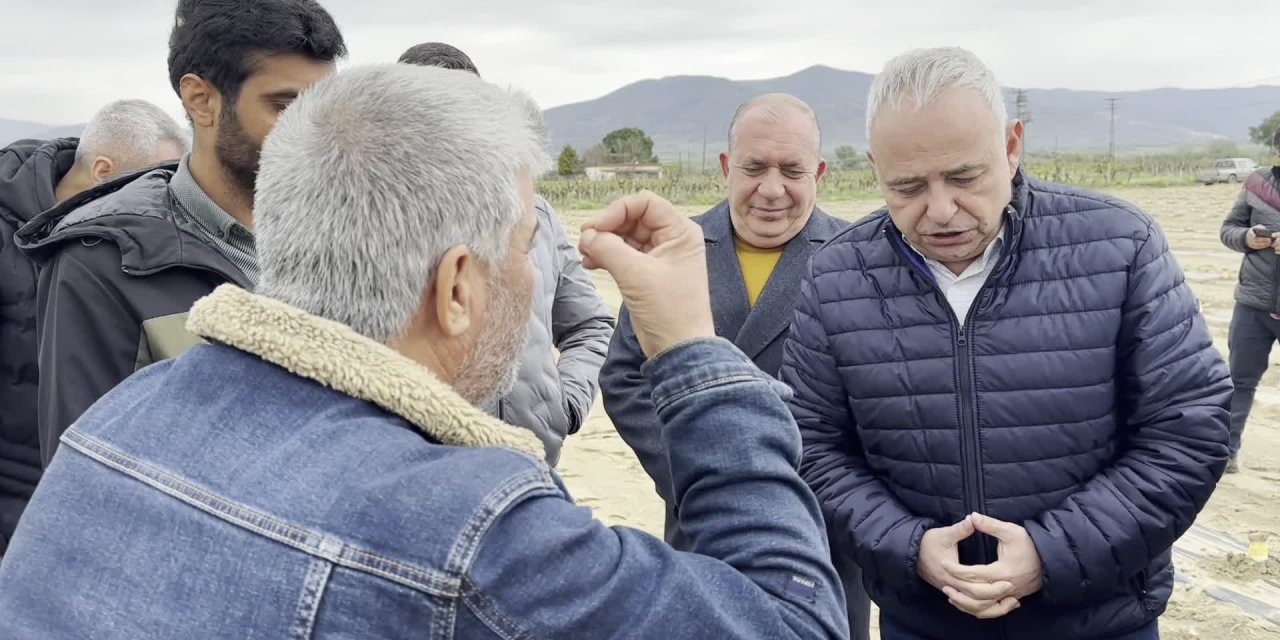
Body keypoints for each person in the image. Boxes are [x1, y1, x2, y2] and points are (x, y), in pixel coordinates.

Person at [0, 63, 847, 640]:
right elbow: (794, 620)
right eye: (525, 245)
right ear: (456, 288)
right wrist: (693, 352)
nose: (534, 269)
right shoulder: (476, 529)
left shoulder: (122, 415)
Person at [781, 47, 1231, 640]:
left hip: (1098, 620)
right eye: (907, 186)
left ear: (1012, 146)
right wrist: (908, 547)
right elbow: (809, 446)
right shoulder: (838, 275)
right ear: (874, 167)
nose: (940, 211)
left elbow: (1188, 430)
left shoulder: (1120, 246)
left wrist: (1051, 552)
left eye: (965, 177)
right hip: (923, 621)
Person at [16, 0, 346, 466]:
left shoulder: (345, 240)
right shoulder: (100, 264)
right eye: (286, 105)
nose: (311, 132)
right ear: (201, 100)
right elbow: (87, 486)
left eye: (323, 107)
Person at [601, 93, 871, 640]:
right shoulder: (675, 251)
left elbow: (884, 394)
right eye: (754, 168)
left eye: (792, 170)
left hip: (822, 532)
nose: (772, 189)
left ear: (819, 173)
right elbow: (625, 376)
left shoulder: (859, 258)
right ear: (727, 167)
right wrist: (701, 470)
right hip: (701, 517)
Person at [398, 41, 614, 465]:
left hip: (534, 464)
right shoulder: (373, 224)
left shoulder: (537, 216)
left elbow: (591, 323)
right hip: (422, 468)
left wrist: (563, 405)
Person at [0, 99, 187, 554]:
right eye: (151, 180)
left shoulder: (120, 245)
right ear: (104, 170)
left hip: (87, 488)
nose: (161, 197)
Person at [1219, 126, 1280, 474]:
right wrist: (1246, 238)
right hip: (1253, 305)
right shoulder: (1257, 183)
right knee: (1240, 381)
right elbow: (1229, 228)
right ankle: (1227, 452)